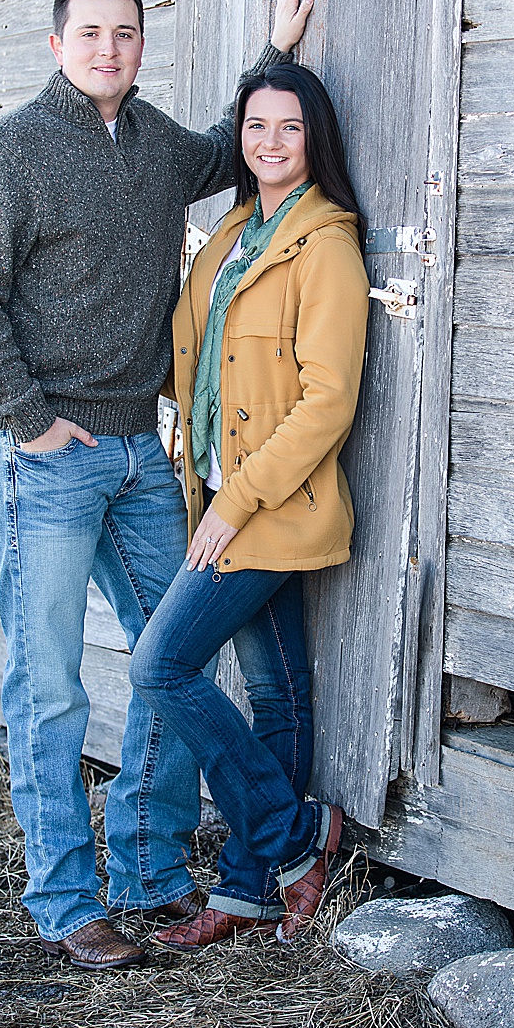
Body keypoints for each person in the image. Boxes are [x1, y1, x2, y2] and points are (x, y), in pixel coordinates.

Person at [0, 0, 315, 970]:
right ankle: (66, 901)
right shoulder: (12, 150)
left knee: (170, 654)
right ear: (58, 45)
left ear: (141, 45)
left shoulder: (156, 147)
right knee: (50, 686)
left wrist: (278, 54)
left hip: (140, 451)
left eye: (127, 33)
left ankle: (146, 867)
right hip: (45, 456)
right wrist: (29, 419)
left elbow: (238, 139)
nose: (110, 48)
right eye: (90, 33)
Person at [126, 61, 368, 949]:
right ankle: (252, 889)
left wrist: (237, 501)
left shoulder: (328, 247)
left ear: (317, 141)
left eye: (290, 129)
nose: (269, 144)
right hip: (218, 496)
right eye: (256, 127)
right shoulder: (232, 231)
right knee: (277, 693)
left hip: (271, 506)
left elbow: (327, 400)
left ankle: (299, 841)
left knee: (162, 665)